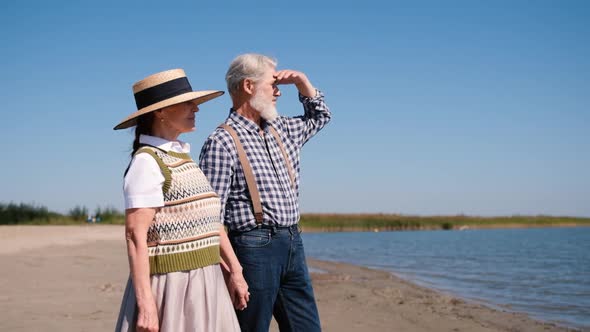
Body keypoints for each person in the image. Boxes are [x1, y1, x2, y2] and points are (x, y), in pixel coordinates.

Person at [199, 54, 331, 332]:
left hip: (293, 242)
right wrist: (234, 272)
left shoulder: (282, 129)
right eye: (272, 84)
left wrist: (302, 82)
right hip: (252, 248)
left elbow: (321, 115)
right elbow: (211, 220)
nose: (279, 91)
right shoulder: (221, 141)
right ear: (248, 86)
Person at [113, 68, 248, 332]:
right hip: (174, 286)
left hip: (207, 280)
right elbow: (134, 235)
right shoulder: (147, 162)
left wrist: (236, 271)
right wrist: (147, 304)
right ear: (160, 112)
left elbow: (212, 223)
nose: (195, 109)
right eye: (187, 103)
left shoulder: (185, 159)